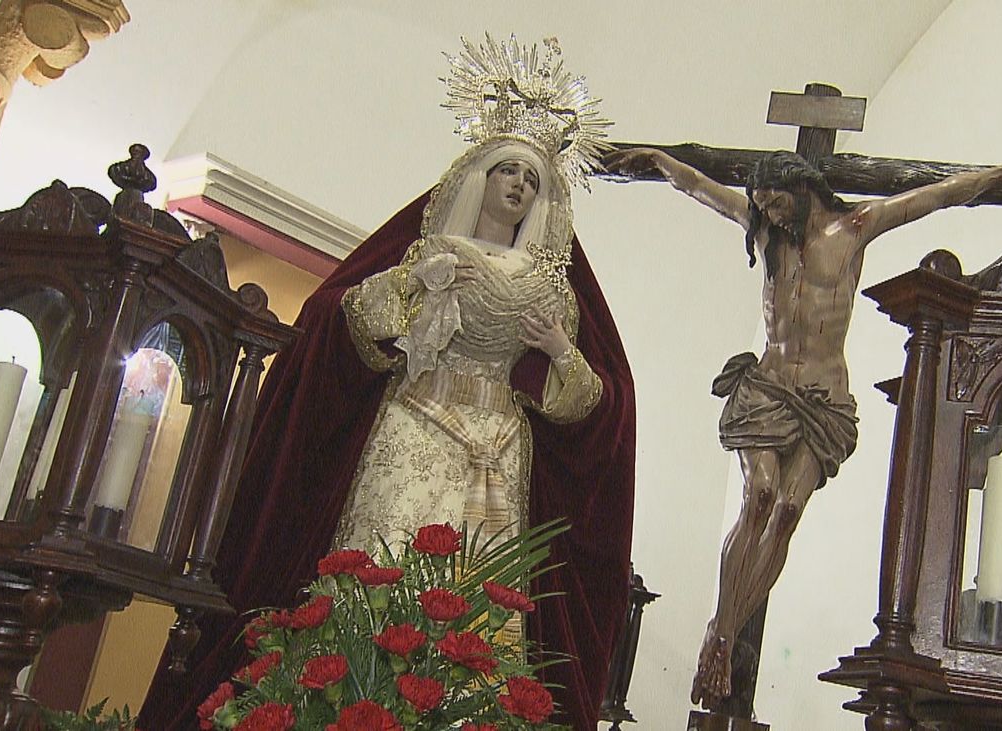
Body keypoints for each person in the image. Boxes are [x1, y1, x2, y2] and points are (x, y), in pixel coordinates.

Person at [140, 137, 636, 731]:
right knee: (379, 562)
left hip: (501, 447)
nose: (518, 187)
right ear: (477, 179)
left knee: (479, 596)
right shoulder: (430, 252)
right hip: (413, 425)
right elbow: (351, 316)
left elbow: (584, 403)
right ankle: (346, 703)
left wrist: (560, 351)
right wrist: (413, 286)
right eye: (506, 171)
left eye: (531, 180)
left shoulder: (551, 288)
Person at [606, 147, 1002, 708]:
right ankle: (719, 631)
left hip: (824, 398)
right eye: (762, 207)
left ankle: (724, 630)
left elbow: (933, 198)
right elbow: (698, 186)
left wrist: (999, 174)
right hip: (767, 387)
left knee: (787, 511)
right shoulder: (761, 229)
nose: (768, 216)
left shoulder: (856, 227)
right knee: (760, 494)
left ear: (802, 190)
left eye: (776, 204)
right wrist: (657, 159)